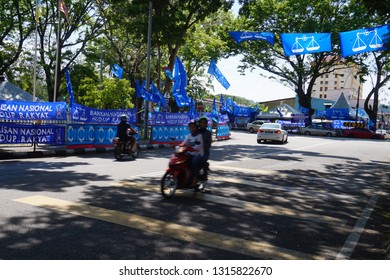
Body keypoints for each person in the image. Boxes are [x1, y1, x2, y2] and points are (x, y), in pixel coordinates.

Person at [182, 120, 204, 187]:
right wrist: (178, 146)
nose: (192, 128)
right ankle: (186, 173)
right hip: (189, 153)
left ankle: (194, 178)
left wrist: (194, 149)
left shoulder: (199, 136)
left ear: (196, 127)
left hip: (198, 154)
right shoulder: (189, 136)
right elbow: (183, 143)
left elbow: (200, 145)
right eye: (190, 127)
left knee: (194, 162)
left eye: (193, 127)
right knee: (180, 160)